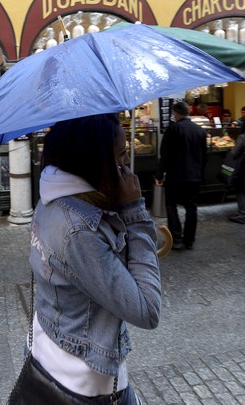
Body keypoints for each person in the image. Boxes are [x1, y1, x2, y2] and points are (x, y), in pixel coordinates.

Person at [26, 114, 161, 403]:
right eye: (121, 154)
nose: (125, 164)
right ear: (94, 159)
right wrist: (135, 212)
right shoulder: (79, 230)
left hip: (53, 343)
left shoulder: (51, 197)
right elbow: (147, 310)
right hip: (86, 376)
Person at [154, 101, 207, 250]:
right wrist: (200, 174)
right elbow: (204, 156)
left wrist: (159, 173)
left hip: (175, 176)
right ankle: (189, 240)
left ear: (176, 113)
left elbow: (165, 155)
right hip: (194, 176)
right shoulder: (200, 131)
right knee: (191, 208)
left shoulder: (173, 129)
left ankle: (176, 239)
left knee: (171, 206)